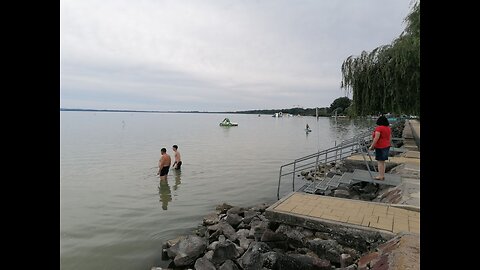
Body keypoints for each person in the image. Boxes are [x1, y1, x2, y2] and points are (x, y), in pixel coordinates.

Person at [369, 115, 391, 180]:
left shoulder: (379, 128)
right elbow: (390, 137)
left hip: (380, 146)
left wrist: (372, 146)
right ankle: (382, 175)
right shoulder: (388, 128)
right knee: (383, 162)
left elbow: (376, 138)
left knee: (380, 162)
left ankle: (380, 176)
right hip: (387, 146)